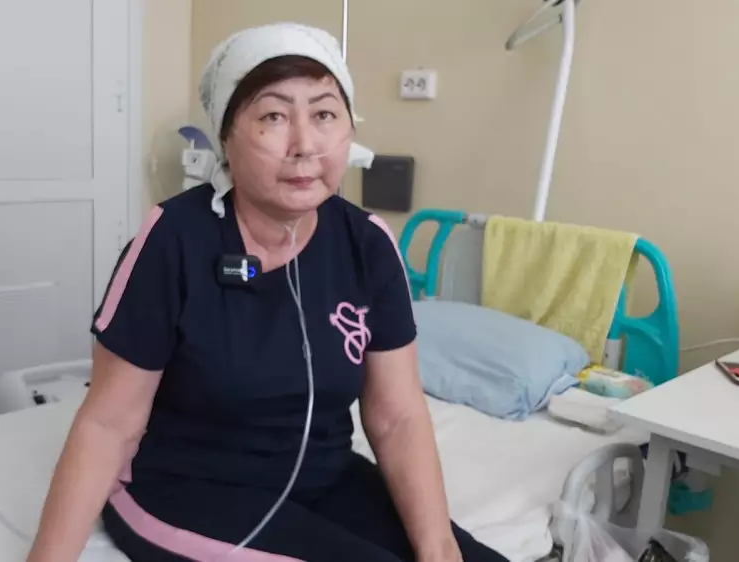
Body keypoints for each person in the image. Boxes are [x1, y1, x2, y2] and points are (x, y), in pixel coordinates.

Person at [26, 23, 509, 562]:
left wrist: (439, 547)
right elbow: (108, 423)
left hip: (325, 479)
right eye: (273, 116)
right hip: (185, 489)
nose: (304, 145)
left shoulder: (367, 243)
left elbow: (397, 416)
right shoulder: (173, 240)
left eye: (324, 115)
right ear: (226, 136)